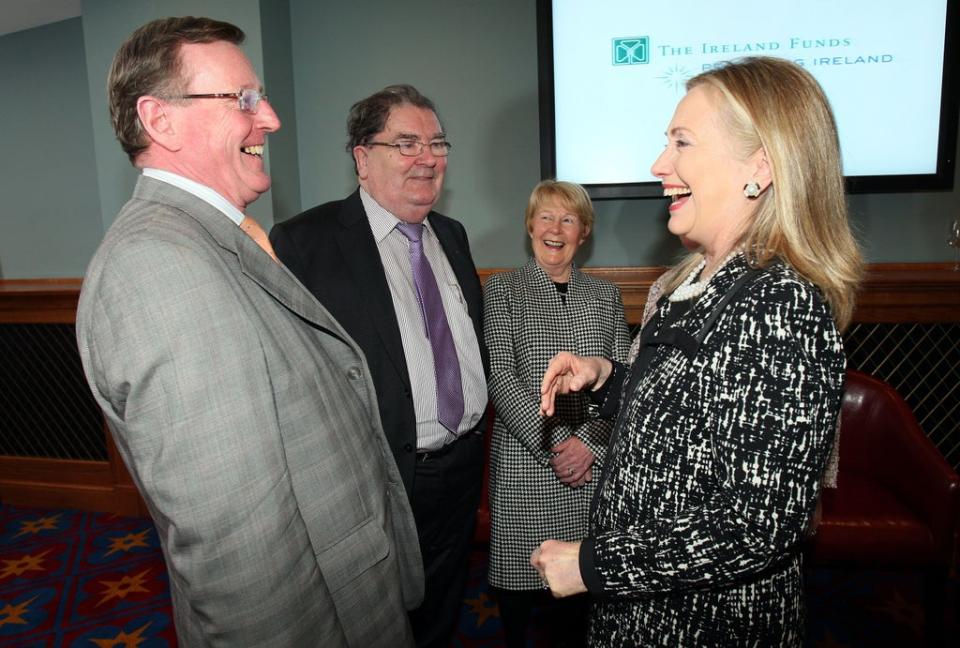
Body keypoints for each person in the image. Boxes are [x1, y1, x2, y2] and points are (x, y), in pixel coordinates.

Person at [76, 17, 422, 647]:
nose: (270, 118)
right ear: (160, 120)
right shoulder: (158, 268)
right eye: (242, 99)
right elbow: (242, 557)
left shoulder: (211, 242)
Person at [531, 56, 862, 646]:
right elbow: (690, 404)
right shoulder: (697, 278)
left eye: (681, 142)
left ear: (759, 166)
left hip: (701, 625)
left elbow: (757, 526)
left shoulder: (782, 304)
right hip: (641, 610)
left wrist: (593, 566)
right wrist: (606, 376)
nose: (661, 165)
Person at [270, 84, 487, 648]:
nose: (428, 158)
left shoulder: (453, 235)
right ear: (362, 158)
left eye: (437, 143)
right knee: (375, 618)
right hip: (378, 475)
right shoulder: (305, 243)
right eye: (407, 143)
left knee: (443, 600)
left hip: (463, 465)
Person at [483, 180, 631, 647]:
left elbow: (623, 379)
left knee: (581, 595)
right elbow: (501, 378)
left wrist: (588, 443)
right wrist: (554, 447)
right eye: (546, 216)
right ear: (530, 225)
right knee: (518, 594)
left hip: (591, 469)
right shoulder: (502, 291)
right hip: (526, 465)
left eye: (568, 219)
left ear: (583, 233)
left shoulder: (606, 297)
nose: (555, 228)